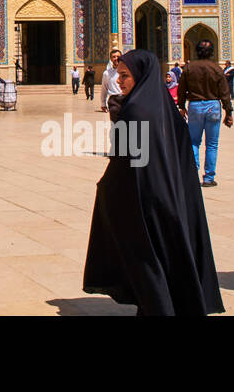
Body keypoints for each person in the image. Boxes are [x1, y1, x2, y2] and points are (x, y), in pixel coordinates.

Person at [83, 49, 224, 316]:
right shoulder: (163, 107)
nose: (120, 81)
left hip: (143, 199)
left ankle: (158, 308)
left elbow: (124, 160)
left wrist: (108, 186)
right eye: (119, 75)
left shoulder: (134, 109)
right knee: (164, 255)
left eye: (125, 76)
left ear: (140, 75)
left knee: (145, 258)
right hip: (167, 196)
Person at [176, 39, 234, 187]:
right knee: (212, 144)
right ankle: (209, 178)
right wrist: (228, 112)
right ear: (212, 52)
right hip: (213, 106)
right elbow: (225, 92)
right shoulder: (216, 69)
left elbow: (181, 89)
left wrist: (181, 106)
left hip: (195, 105)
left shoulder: (189, 68)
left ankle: (192, 176)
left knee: (194, 141)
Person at [100, 48, 122, 113]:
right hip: (113, 100)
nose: (116, 58)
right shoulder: (107, 73)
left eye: (118, 56)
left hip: (125, 99)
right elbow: (104, 89)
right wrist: (103, 104)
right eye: (114, 57)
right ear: (111, 59)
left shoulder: (128, 71)